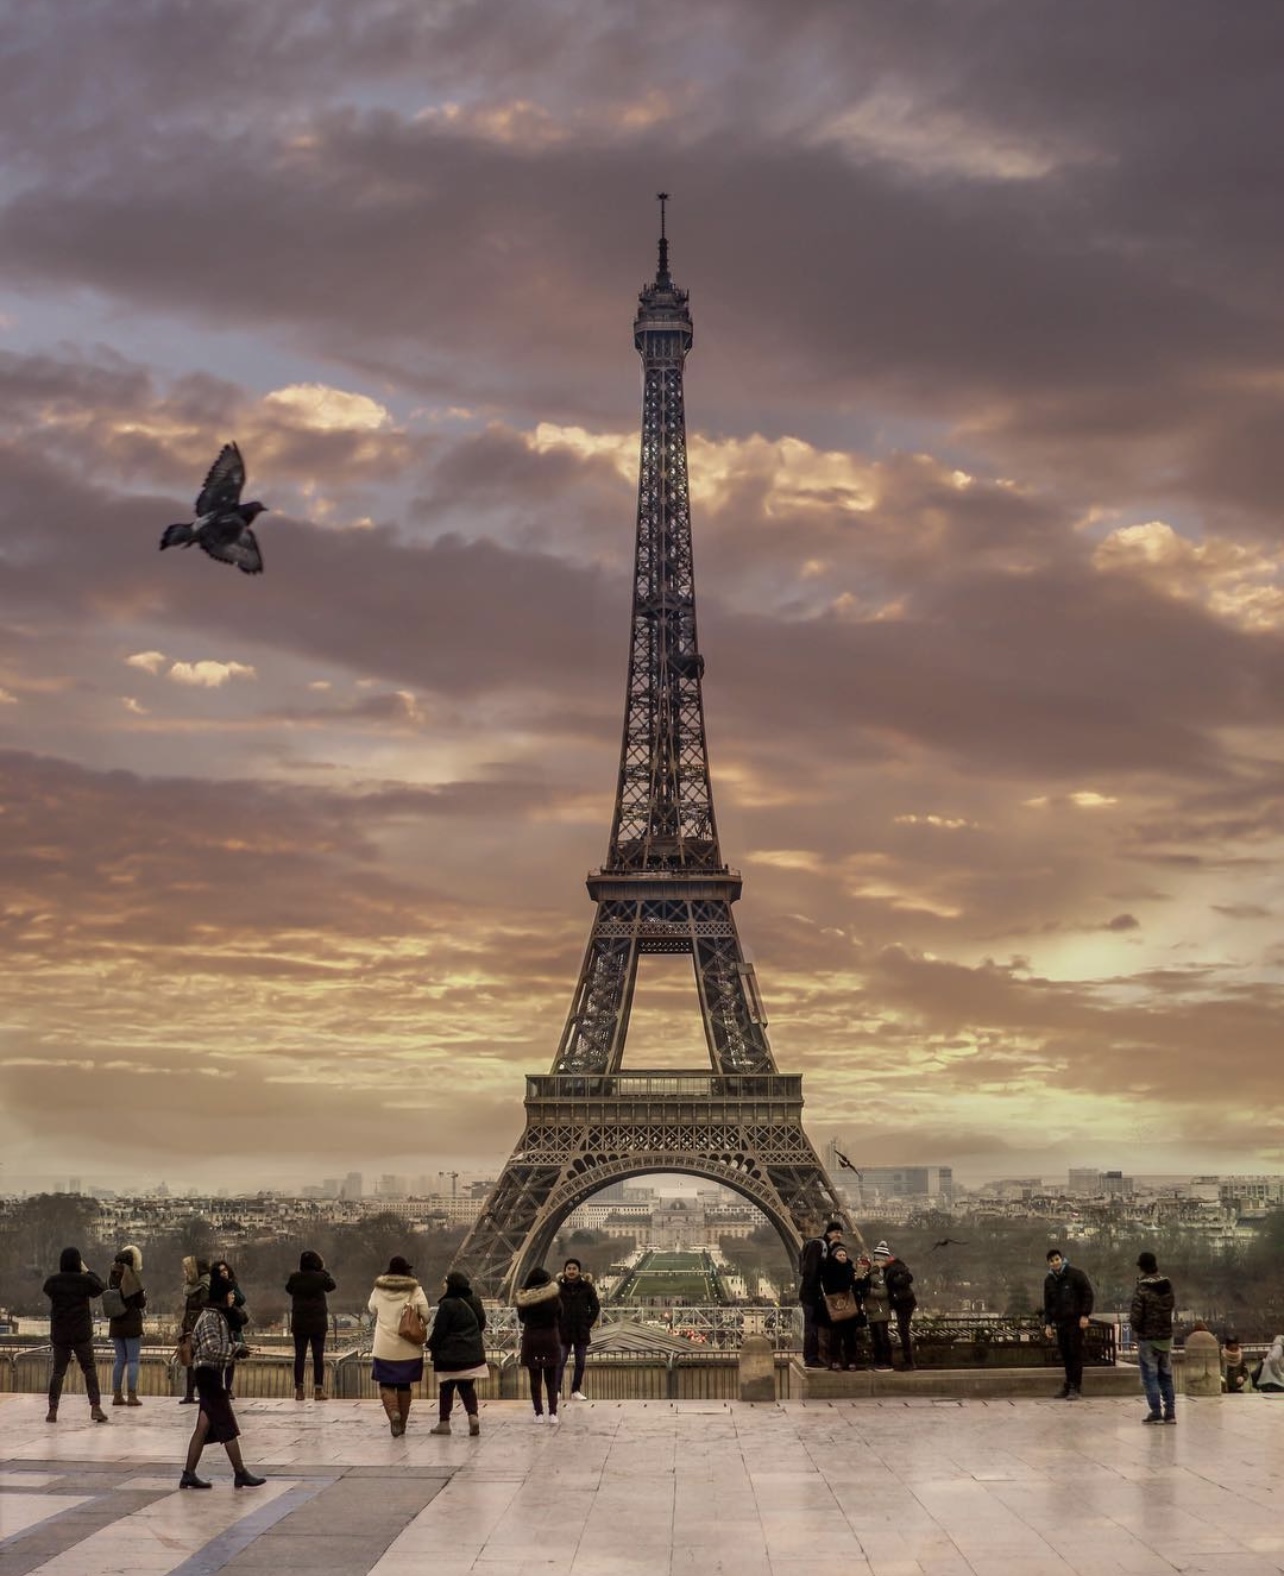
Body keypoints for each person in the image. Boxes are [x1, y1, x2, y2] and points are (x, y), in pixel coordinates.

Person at [180, 1268, 265, 1489]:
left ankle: (188, 1473)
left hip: (210, 1373)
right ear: (221, 1295)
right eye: (230, 1293)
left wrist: (236, 1349)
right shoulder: (210, 1318)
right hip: (208, 1375)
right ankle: (240, 1472)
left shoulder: (215, 1315)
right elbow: (211, 1349)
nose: (233, 1296)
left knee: (203, 1426)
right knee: (226, 1424)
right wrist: (236, 1348)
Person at [368, 1255, 431, 1437]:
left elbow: (372, 1308)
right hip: (408, 1348)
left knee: (386, 1384)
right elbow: (426, 1316)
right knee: (404, 1386)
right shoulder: (415, 1290)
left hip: (384, 1347)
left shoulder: (379, 1289)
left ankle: (393, 1413)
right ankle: (401, 1423)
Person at [44, 1246, 108, 1424]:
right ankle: (95, 1406)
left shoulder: (53, 1282)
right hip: (81, 1332)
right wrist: (87, 1271)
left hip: (60, 1333)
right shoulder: (84, 1281)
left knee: (58, 1372)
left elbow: (46, 1289)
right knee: (89, 1369)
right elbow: (101, 1287)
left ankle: (52, 1409)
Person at [427, 1269, 488, 1436]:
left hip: (449, 1355)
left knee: (446, 1389)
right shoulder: (475, 1301)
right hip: (471, 1354)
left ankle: (444, 1423)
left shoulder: (447, 1304)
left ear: (451, 1285)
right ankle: (473, 1416)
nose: (443, 1285)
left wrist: (430, 1345)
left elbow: (440, 1331)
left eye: (445, 1283)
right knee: (467, 1388)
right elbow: (481, 1324)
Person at [1128, 1250, 1176, 1424]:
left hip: (1148, 1338)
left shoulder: (1142, 1288)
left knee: (1150, 1376)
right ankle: (1170, 1412)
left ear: (1142, 1268)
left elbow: (1136, 1315)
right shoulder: (1167, 1284)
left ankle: (1156, 1412)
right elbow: (1171, 1306)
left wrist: (1138, 1329)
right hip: (1165, 1337)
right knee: (1166, 1375)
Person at [1043, 1247, 1094, 1399]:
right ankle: (1069, 1383)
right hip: (1061, 1322)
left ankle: (1075, 1386)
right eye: (1052, 1261)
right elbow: (1048, 1304)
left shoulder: (1075, 1275)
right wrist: (1048, 1324)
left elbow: (1088, 1294)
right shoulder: (1049, 1280)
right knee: (1065, 1354)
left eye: (1057, 1259)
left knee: (1075, 1353)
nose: (1055, 1263)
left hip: (1075, 1321)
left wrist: (1085, 1314)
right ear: (1049, 1264)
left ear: (1062, 1259)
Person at [285, 1250, 336, 1401]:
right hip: (318, 1322)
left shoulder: (295, 1278)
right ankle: (318, 1390)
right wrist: (323, 1272)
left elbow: (288, 1289)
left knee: (299, 1356)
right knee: (317, 1356)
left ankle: (299, 1390)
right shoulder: (321, 1277)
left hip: (299, 1321)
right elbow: (332, 1286)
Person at [516, 1266, 563, 1424]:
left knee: (535, 1380)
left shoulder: (525, 1300)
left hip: (532, 1340)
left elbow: (522, 1318)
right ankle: (553, 1413)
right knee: (552, 1380)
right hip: (550, 1339)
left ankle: (538, 1413)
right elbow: (560, 1314)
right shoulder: (554, 1298)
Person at [799, 1222, 844, 1369]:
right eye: (836, 1231)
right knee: (812, 1327)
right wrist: (817, 1294)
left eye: (840, 1232)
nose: (838, 1234)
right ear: (829, 1232)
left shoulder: (830, 1247)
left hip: (817, 1294)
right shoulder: (819, 1245)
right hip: (812, 1295)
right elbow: (810, 1272)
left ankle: (819, 1356)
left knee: (818, 1327)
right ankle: (811, 1358)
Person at [107, 1245, 146, 1407]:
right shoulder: (132, 1276)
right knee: (133, 1360)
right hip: (131, 1323)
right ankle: (131, 1395)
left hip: (116, 1322)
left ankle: (117, 1395)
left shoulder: (112, 1276)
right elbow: (140, 1303)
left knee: (120, 1359)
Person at [557, 1258, 601, 1401]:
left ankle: (575, 1390)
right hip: (563, 1330)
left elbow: (595, 1307)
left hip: (580, 1330)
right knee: (560, 1362)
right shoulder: (557, 1287)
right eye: (569, 1268)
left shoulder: (587, 1287)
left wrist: (587, 1323)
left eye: (574, 1268)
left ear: (579, 1271)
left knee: (580, 1363)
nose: (571, 1271)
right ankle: (556, 1390)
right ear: (565, 1270)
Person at [819, 1243, 865, 1371]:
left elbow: (857, 1288)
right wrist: (851, 1281)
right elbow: (832, 1287)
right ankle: (836, 1360)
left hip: (848, 1308)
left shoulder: (851, 1269)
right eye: (840, 1255)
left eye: (844, 1254)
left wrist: (859, 1280)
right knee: (836, 1336)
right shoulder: (829, 1270)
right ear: (834, 1256)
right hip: (837, 1307)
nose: (843, 1257)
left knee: (850, 1337)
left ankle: (850, 1361)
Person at [211, 1260, 247, 1396]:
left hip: (232, 1323)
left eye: (225, 1269)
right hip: (220, 1322)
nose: (224, 1272)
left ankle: (228, 1388)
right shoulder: (214, 1286)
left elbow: (242, 1299)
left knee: (231, 1357)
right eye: (221, 1271)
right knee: (221, 1357)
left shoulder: (233, 1285)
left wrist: (231, 1288)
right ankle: (220, 1387)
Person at [178, 1257, 210, 1404]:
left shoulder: (204, 1286)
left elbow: (203, 1306)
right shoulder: (195, 1286)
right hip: (190, 1326)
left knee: (198, 1362)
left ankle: (200, 1392)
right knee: (190, 1361)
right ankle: (190, 1393)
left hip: (198, 1328)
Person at [881, 1242, 917, 1371]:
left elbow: (908, 1278)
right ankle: (908, 1361)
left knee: (903, 1331)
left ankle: (909, 1361)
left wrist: (896, 1283)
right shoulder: (894, 1267)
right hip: (903, 1302)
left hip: (904, 1303)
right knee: (903, 1331)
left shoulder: (895, 1268)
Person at [859, 1249, 893, 1371]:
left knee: (882, 1338)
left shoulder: (875, 1277)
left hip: (879, 1311)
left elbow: (884, 1292)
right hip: (872, 1311)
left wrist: (869, 1291)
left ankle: (886, 1362)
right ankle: (878, 1362)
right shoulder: (867, 1278)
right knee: (876, 1339)